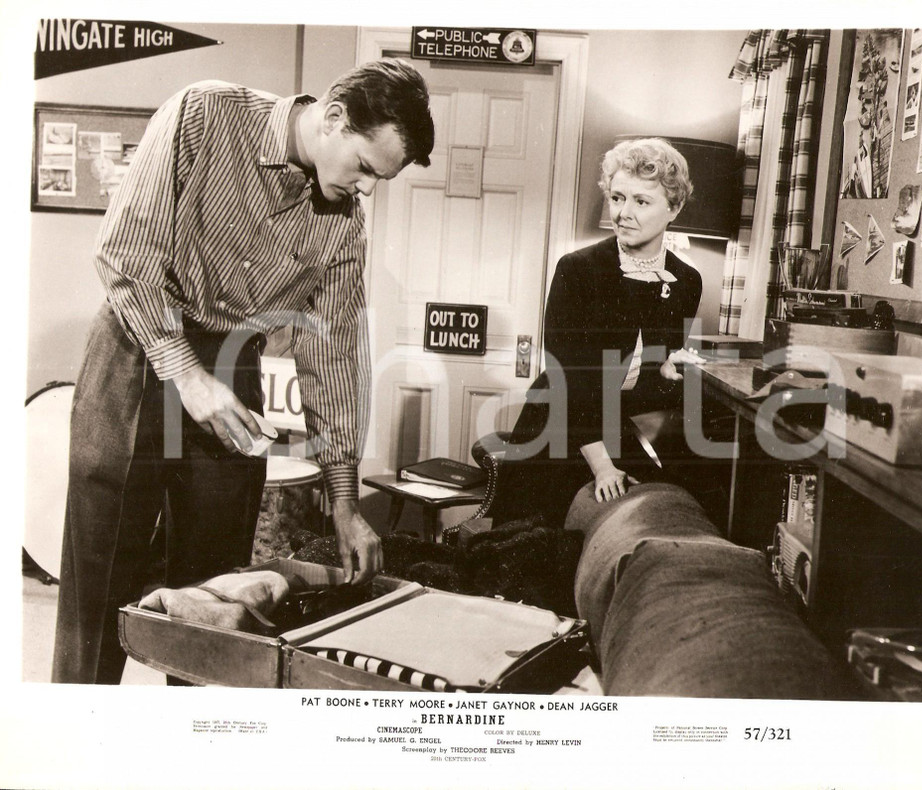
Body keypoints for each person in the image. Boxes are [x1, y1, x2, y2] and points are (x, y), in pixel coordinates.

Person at [52, 59, 435, 684]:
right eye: (365, 167)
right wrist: (186, 375)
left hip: (234, 366)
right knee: (99, 581)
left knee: (219, 597)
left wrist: (344, 501)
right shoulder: (204, 111)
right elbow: (123, 252)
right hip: (136, 348)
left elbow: (333, 355)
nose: (366, 189)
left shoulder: (344, 225)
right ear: (335, 118)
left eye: (378, 180)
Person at [491, 138, 704, 527]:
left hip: (622, 429)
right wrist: (603, 466)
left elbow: (644, 372)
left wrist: (669, 367)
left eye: (641, 201)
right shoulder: (577, 270)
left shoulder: (687, 280)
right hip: (559, 426)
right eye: (617, 198)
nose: (623, 213)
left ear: (674, 208)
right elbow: (567, 380)